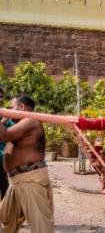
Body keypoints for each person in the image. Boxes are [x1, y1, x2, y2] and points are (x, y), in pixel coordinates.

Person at [0, 94, 54, 233]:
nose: (9, 110)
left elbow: (4, 135)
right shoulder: (23, 123)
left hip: (30, 180)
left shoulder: (30, 119)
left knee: (41, 226)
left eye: (11, 108)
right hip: (19, 180)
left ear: (21, 107)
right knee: (7, 219)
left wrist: (3, 118)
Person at [0, 86, 15, 199]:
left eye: (0, 96)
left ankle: (5, 211)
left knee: (4, 182)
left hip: (1, 157)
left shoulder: (4, 113)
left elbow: (13, 135)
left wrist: (7, 153)